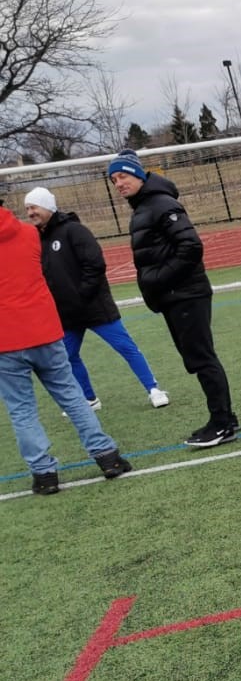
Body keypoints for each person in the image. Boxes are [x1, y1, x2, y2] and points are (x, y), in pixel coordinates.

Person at [107, 151, 236, 448]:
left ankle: (222, 424)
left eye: (123, 176)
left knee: (202, 359)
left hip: (186, 294)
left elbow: (191, 247)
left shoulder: (161, 204)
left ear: (138, 174)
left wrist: (158, 278)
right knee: (198, 359)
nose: (118, 183)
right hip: (175, 296)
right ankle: (225, 418)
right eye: (113, 180)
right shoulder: (144, 207)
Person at [0, 207, 133, 493]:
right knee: (72, 396)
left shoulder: (29, 233)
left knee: (22, 410)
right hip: (43, 330)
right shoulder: (29, 234)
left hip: (6, 341)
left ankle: (44, 474)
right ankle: (106, 456)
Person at [24, 187, 167, 411]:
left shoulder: (74, 230)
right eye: (27, 209)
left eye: (34, 207)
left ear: (47, 207)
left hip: (94, 307)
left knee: (125, 347)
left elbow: (95, 264)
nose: (30, 213)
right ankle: (89, 398)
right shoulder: (35, 238)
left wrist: (82, 294)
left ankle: (154, 389)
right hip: (66, 313)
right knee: (68, 356)